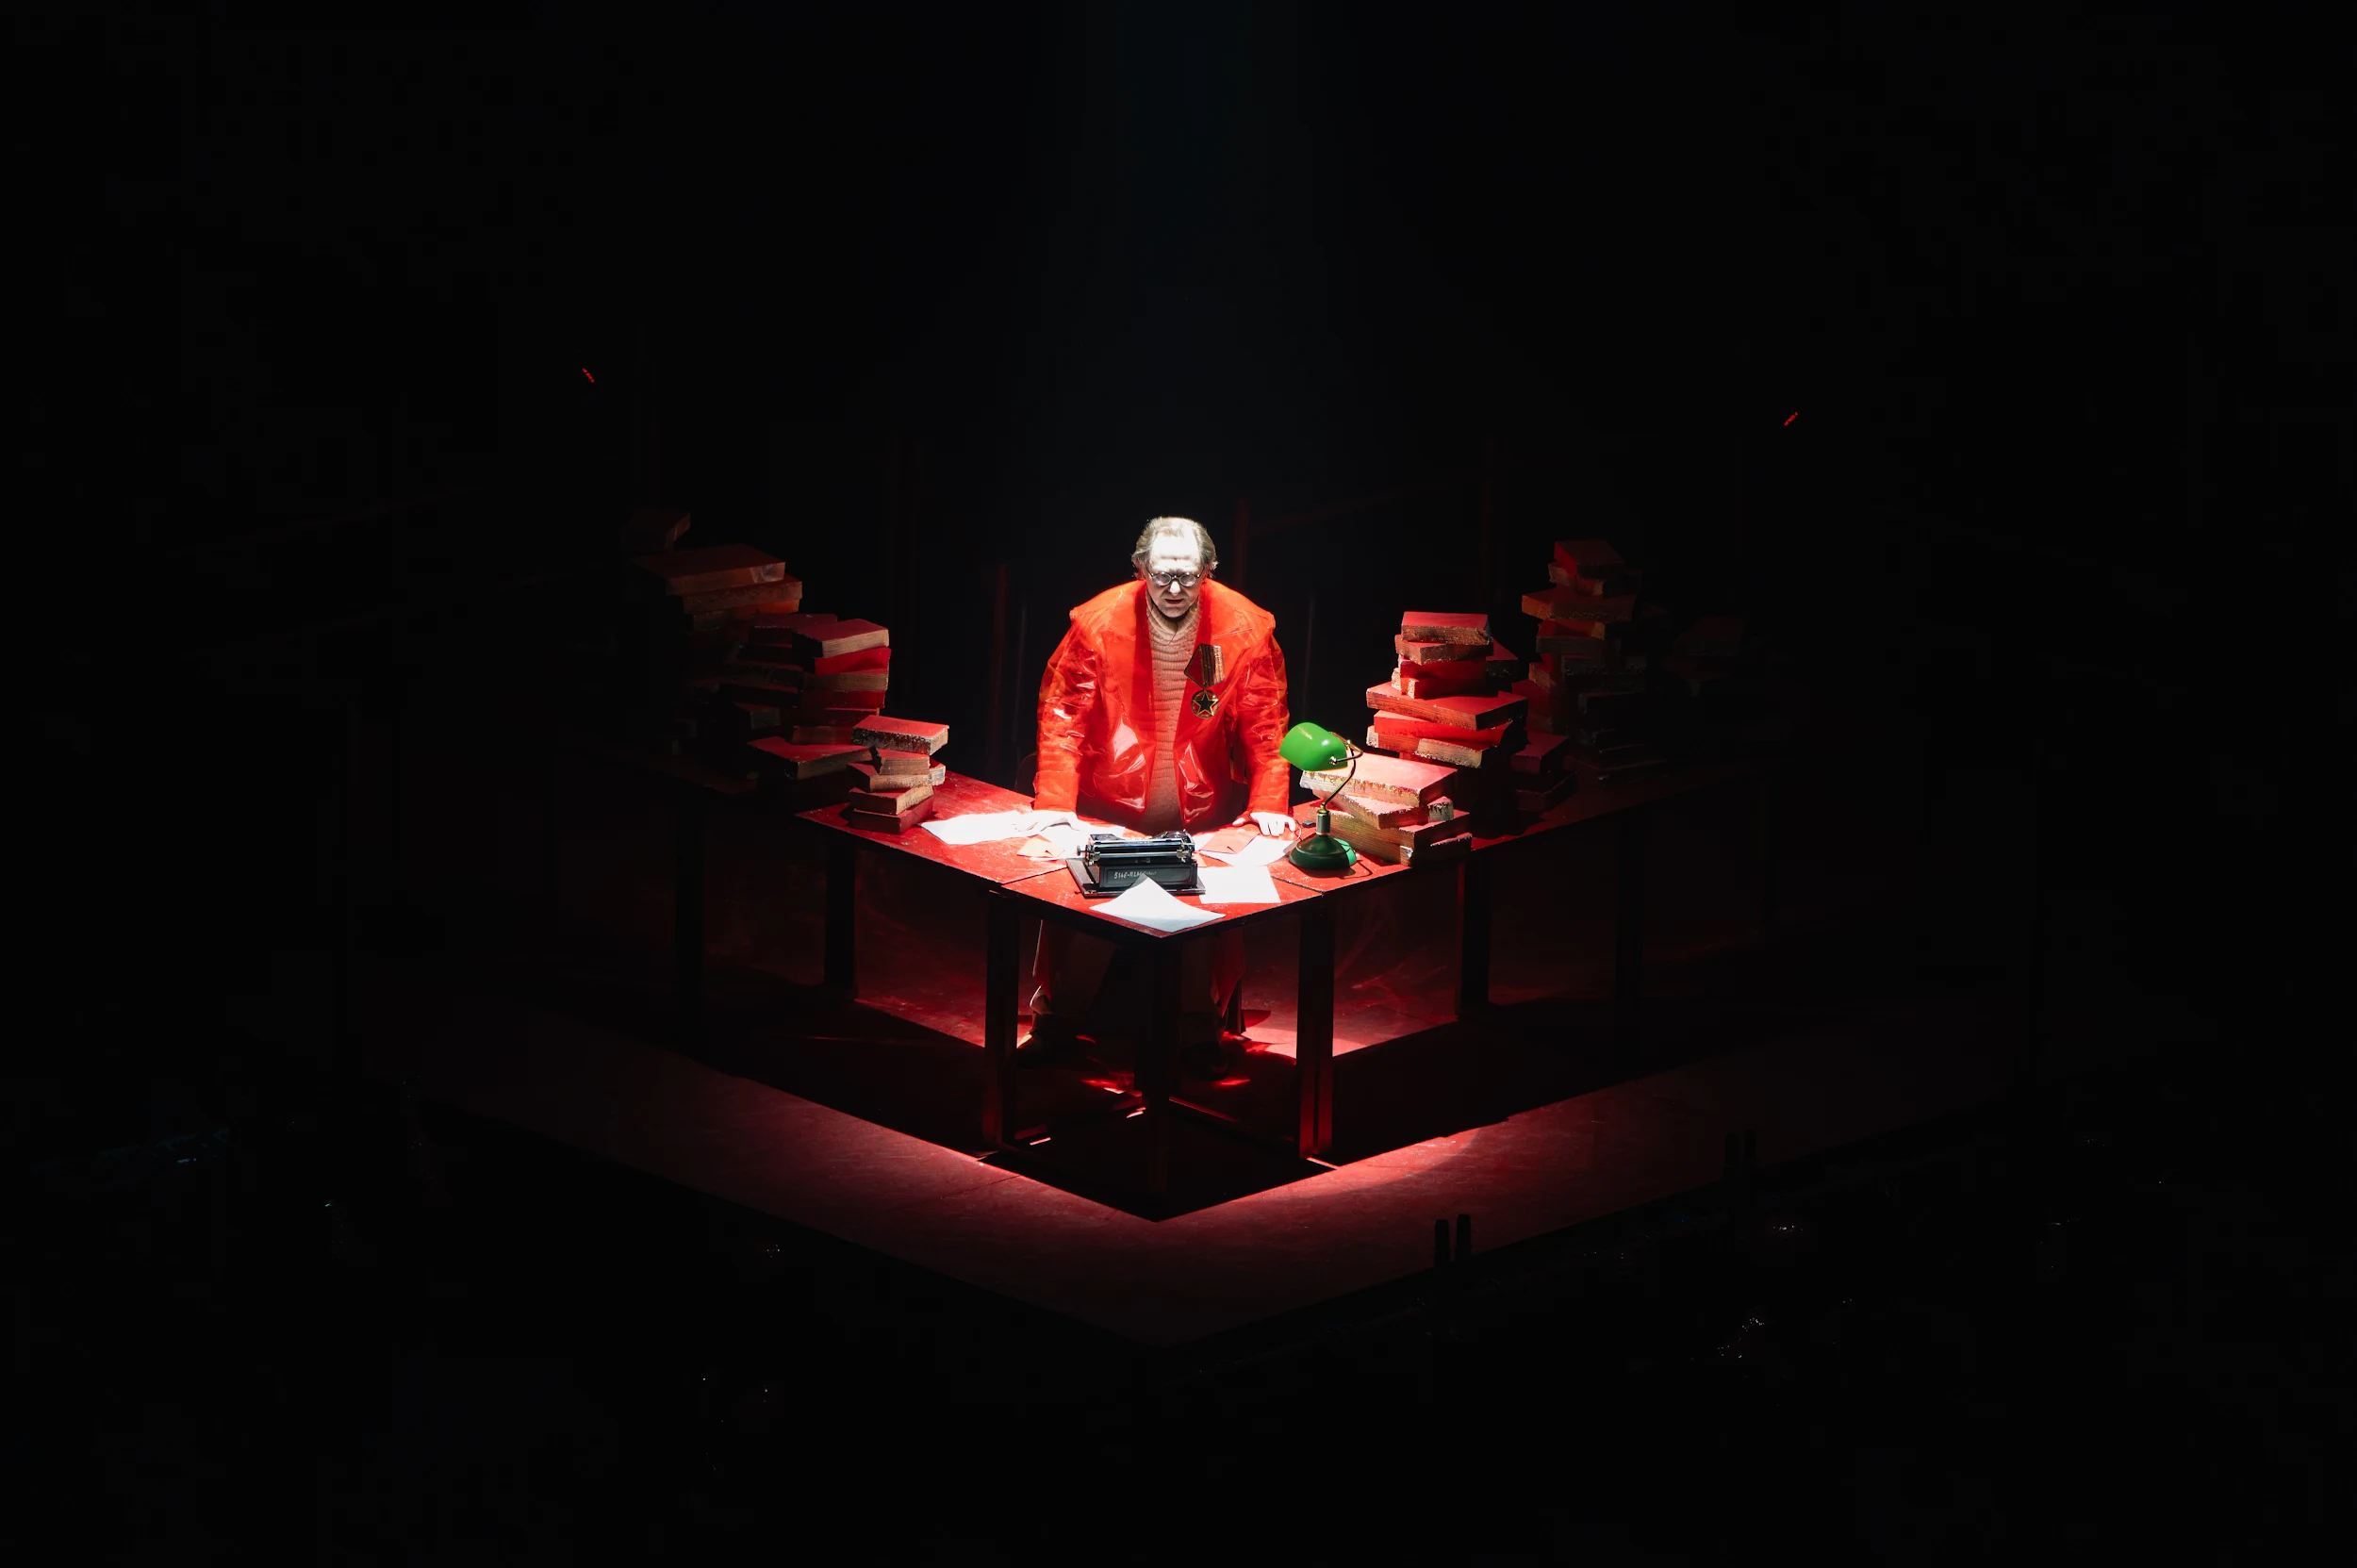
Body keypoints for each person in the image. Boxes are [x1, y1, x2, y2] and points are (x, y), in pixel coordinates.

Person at [1027, 517, 1294, 1076]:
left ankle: (1199, 1030)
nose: (1174, 589)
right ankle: (1057, 1023)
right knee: (1092, 906)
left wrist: (1269, 800)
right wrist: (1054, 803)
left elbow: (1266, 722)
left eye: (1188, 577)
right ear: (1140, 569)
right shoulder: (1097, 623)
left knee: (1199, 913)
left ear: (1208, 572)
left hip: (1200, 809)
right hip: (1111, 804)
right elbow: (1063, 716)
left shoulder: (1246, 627)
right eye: (1162, 575)